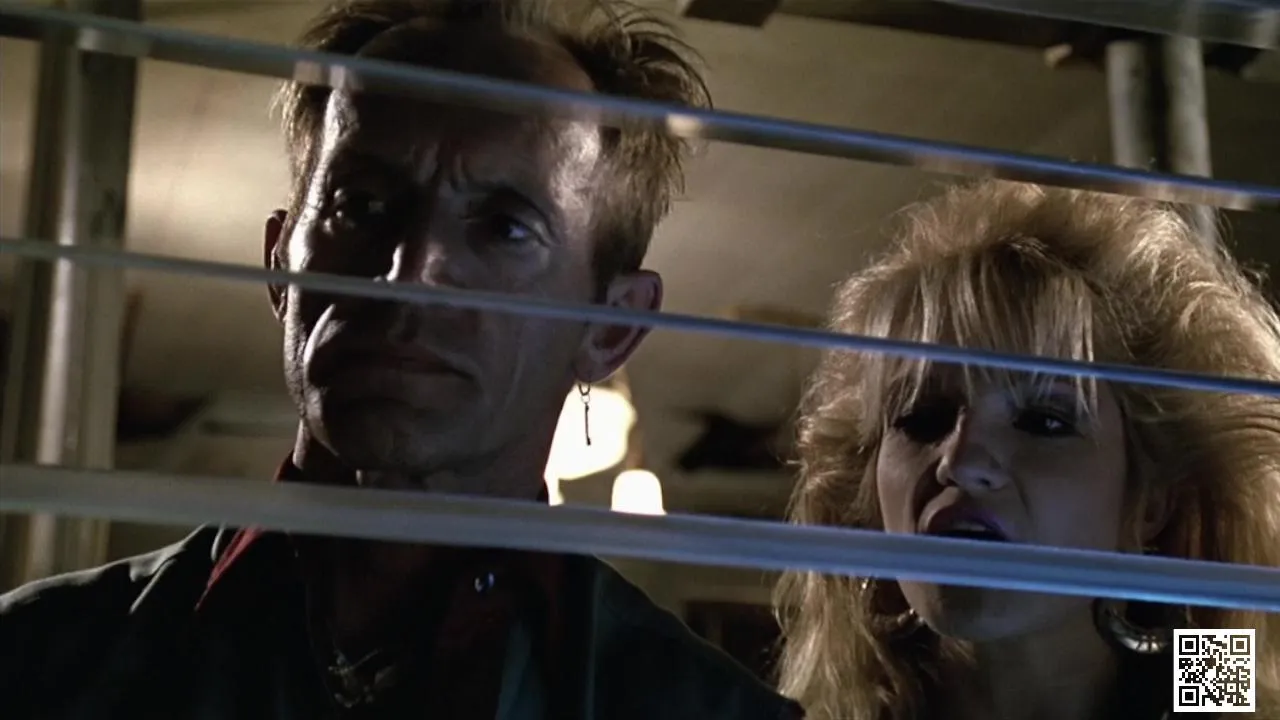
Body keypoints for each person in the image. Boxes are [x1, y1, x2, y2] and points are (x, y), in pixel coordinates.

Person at [0, 2, 803, 719]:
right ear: (281, 261)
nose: (407, 273)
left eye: (504, 228)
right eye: (360, 205)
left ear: (610, 329)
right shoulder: (36, 662)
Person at [774, 181, 1280, 720]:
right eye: (922, 418)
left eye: (1043, 422)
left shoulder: (1218, 700)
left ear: (1152, 504)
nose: (961, 462)